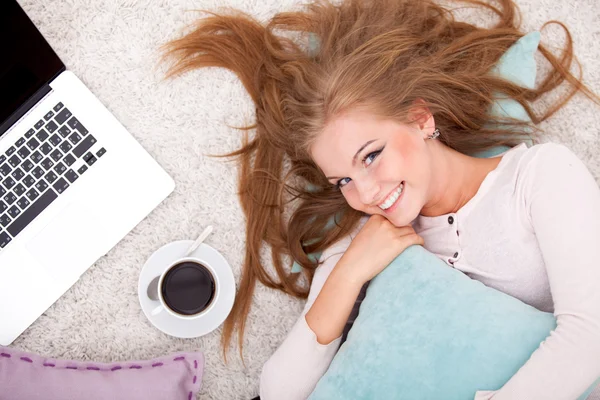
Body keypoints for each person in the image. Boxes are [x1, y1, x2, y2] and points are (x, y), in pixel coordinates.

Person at [162, 0, 600, 398]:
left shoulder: (539, 176)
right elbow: (280, 391)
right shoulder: (366, 239)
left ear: (420, 118)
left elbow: (590, 334)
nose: (365, 193)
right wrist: (350, 271)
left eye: (371, 155)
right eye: (342, 181)